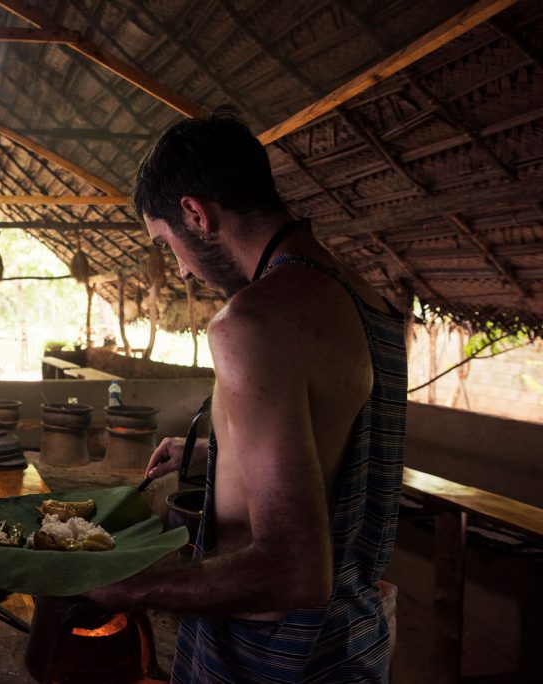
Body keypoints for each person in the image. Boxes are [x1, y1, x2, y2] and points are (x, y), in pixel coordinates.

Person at [84, 111, 408, 682]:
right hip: (351, 644)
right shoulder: (367, 300)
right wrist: (219, 451)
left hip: (268, 657)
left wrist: (133, 586)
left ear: (195, 213)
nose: (181, 270)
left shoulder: (252, 322)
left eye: (167, 243)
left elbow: (293, 572)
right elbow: (341, 441)